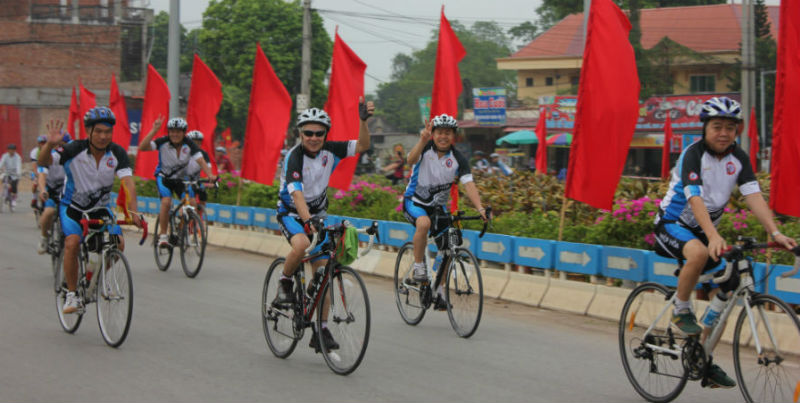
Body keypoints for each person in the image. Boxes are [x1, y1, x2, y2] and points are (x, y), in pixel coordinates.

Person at [653, 96, 797, 388]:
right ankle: (681, 309)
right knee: (698, 252)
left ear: (737, 131)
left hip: (705, 231)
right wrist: (713, 235)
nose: (723, 133)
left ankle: (701, 358)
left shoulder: (738, 158)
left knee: (727, 291)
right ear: (705, 128)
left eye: (730, 128)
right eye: (717, 127)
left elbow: (753, 195)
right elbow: (695, 198)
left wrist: (776, 233)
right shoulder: (693, 154)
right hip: (673, 225)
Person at [274, 98, 374, 352]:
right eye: (308, 133)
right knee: (301, 245)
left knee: (323, 275)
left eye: (319, 133)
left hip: (317, 216)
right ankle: (285, 281)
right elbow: (297, 195)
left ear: (325, 134)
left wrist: (363, 121)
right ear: (300, 134)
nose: (314, 138)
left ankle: (321, 329)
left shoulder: (331, 150)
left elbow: (363, 145)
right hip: (292, 213)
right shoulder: (294, 157)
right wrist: (308, 221)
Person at [38, 108, 144, 314]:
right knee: (72, 243)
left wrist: (134, 213)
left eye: (108, 131)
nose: (103, 136)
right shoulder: (73, 149)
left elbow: (128, 184)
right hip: (73, 207)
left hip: (100, 209)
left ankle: (94, 278)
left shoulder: (117, 153)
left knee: (118, 244)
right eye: (99, 131)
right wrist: (50, 145)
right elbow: (43, 162)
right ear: (88, 131)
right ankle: (71, 294)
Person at [402, 114, 488, 309]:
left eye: (447, 133)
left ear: (453, 136)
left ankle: (439, 290)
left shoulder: (458, 159)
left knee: (451, 243)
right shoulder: (425, 148)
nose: (443, 137)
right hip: (414, 202)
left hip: (438, 208)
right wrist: (422, 140)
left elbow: (469, 184)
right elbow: (410, 160)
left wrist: (480, 208)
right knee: (424, 223)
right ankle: (418, 267)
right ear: (433, 134)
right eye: (439, 132)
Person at [138, 117, 216, 248]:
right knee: (166, 202)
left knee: (191, 203)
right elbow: (142, 147)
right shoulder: (163, 142)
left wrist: (210, 175)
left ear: (184, 132)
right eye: (172, 131)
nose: (175, 134)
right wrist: (154, 130)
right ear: (168, 132)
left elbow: (201, 160)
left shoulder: (189, 144)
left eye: (178, 131)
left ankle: (180, 231)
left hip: (181, 180)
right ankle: (163, 235)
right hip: (164, 178)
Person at [36, 132, 72, 254]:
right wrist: (42, 190)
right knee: (49, 212)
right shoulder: (51, 156)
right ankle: (44, 237)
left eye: (66, 145)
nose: (63, 148)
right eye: (60, 145)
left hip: (67, 190)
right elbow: (42, 176)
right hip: (51, 189)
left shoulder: (73, 157)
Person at [184, 130, 212, 213]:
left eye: (199, 143)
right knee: (191, 201)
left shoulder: (203, 154)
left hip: (195, 180)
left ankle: (198, 217)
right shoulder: (183, 152)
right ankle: (183, 215)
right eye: (194, 142)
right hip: (183, 180)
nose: (196, 145)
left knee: (203, 194)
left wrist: (210, 179)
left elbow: (208, 168)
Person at [29, 135, 47, 209]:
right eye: (41, 143)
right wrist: (37, 175)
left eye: (44, 143)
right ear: (38, 143)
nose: (42, 144)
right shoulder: (34, 152)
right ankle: (34, 198)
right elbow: (34, 165)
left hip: (46, 171)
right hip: (37, 170)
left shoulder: (49, 151)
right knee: (35, 184)